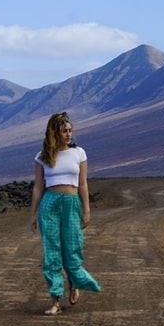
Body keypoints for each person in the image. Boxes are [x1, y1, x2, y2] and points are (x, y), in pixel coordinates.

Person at [29, 111, 101, 315]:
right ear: (55, 133)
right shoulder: (43, 156)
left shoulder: (79, 153)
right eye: (64, 131)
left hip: (72, 203)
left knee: (72, 248)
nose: (68, 134)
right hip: (49, 204)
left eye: (70, 130)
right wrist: (33, 214)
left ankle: (74, 283)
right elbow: (37, 187)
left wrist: (87, 210)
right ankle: (55, 301)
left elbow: (83, 184)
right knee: (51, 253)